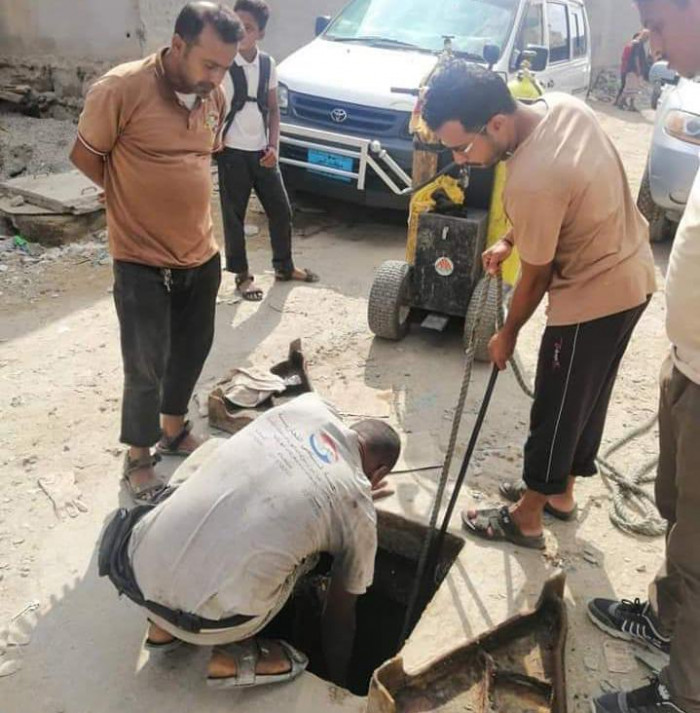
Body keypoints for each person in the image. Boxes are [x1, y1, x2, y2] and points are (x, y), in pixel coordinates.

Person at [421, 63, 656, 550]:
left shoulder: (531, 180)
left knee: (556, 406)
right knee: (585, 398)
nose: (460, 160)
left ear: (497, 123)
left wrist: (506, 333)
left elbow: (536, 276)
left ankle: (527, 517)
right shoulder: (564, 109)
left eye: (463, 147)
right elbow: (561, 200)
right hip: (633, 275)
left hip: (593, 295)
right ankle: (560, 494)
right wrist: (511, 238)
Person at [99, 393, 401, 689]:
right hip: (211, 625)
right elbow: (339, 615)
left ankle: (161, 628)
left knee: (214, 450)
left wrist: (347, 492)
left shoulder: (309, 406)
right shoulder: (357, 509)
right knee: (311, 557)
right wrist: (339, 680)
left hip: (136, 572)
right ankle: (236, 656)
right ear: (380, 473)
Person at [70, 3, 243, 503]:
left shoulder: (215, 95)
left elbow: (201, 157)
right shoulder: (121, 89)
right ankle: (139, 457)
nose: (217, 77)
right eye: (209, 65)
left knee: (191, 351)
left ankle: (173, 430)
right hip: (140, 256)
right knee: (144, 364)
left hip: (200, 252)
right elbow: (85, 155)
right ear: (179, 44)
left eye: (225, 67)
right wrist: (128, 195)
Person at [589, 1, 700, 711]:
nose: (652, 46)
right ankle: (666, 620)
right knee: (676, 512)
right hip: (688, 360)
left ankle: (684, 694)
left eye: (659, 25)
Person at [216, 0, 318, 302]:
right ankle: (242, 276)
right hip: (232, 152)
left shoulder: (267, 64)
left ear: (260, 33)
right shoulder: (222, 63)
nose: (240, 32)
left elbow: (273, 110)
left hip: (263, 152)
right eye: (236, 25)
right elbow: (210, 104)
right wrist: (214, 138)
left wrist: (274, 145)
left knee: (281, 210)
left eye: (247, 28)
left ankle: (284, 266)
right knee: (234, 216)